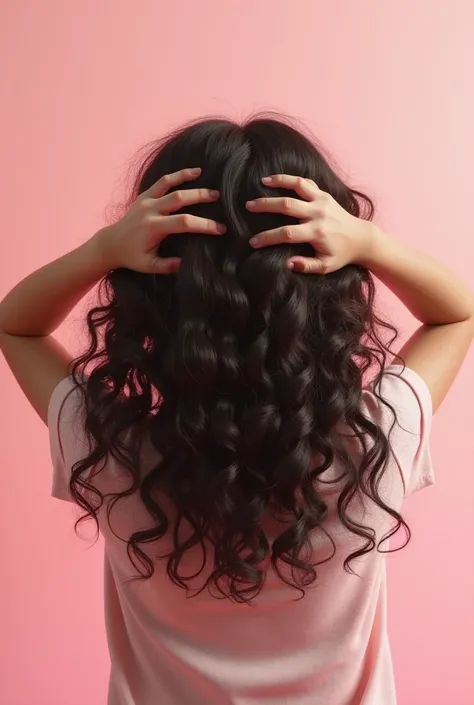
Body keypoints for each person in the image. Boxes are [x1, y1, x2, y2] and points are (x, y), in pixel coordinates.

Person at [1, 116, 473, 705]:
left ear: (150, 298)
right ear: (327, 291)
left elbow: (15, 327)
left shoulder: (112, 454)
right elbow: (457, 314)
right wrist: (369, 243)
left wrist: (104, 249)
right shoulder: (374, 445)